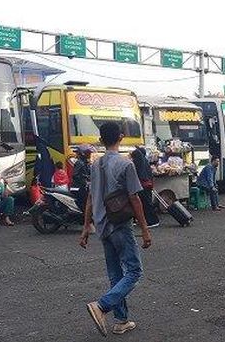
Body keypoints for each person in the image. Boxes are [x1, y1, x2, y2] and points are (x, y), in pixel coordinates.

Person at [79, 122, 152, 337]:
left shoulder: (95, 165)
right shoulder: (125, 164)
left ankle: (121, 321)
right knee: (134, 271)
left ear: (101, 140)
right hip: (119, 224)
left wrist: (85, 228)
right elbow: (135, 198)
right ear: (121, 137)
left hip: (102, 225)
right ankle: (102, 306)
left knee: (115, 274)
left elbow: (91, 198)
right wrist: (145, 229)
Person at [130, 147, 160, 227]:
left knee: (145, 204)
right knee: (146, 204)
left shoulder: (138, 162)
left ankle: (152, 221)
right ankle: (147, 220)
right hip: (147, 185)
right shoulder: (145, 162)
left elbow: (137, 175)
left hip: (143, 186)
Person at [73, 145, 94, 211]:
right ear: (83, 153)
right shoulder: (80, 163)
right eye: (88, 153)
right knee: (86, 204)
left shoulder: (86, 163)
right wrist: (85, 182)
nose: (90, 154)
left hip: (84, 187)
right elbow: (75, 175)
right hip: (80, 189)